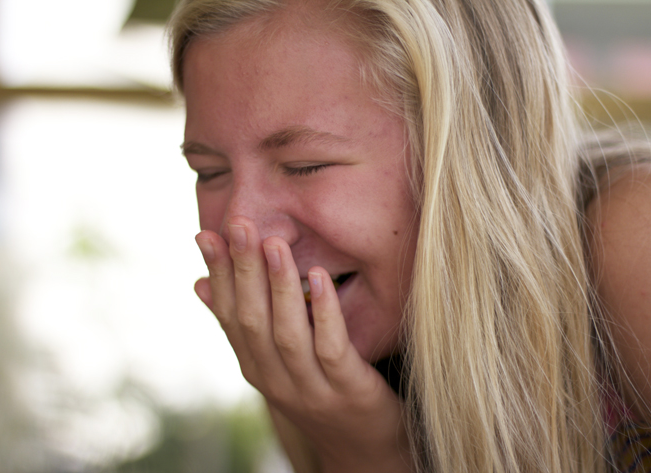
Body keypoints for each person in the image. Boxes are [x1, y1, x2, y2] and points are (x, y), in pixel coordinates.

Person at [169, 0, 651, 471]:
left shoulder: (633, 236)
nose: (241, 230)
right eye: (209, 171)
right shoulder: (310, 375)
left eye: (305, 166)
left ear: (468, 149)